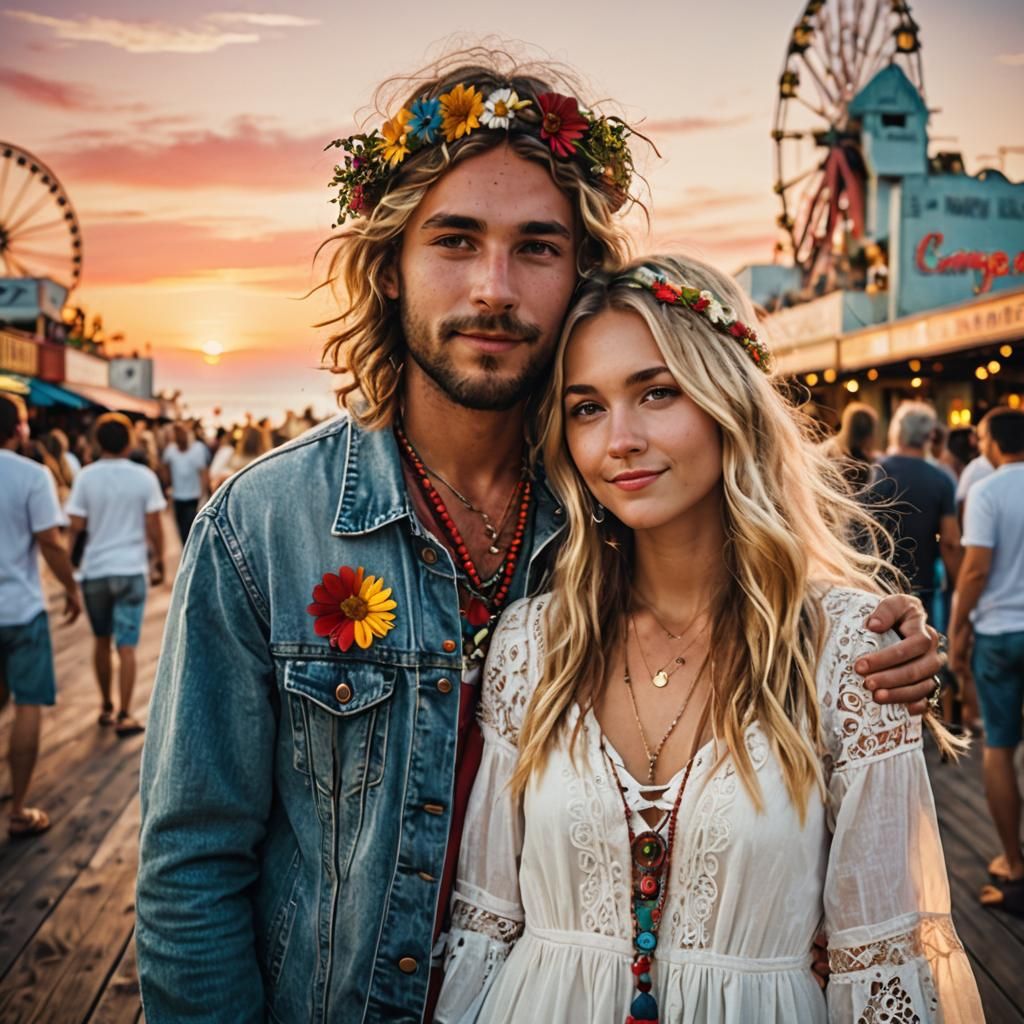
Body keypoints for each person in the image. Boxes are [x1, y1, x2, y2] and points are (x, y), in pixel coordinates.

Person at [135, 49, 944, 1023]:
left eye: (536, 246)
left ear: (579, 274)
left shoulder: (613, 503)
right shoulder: (263, 528)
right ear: (388, 267)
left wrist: (874, 642)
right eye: (454, 240)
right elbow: (190, 868)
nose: (493, 287)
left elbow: (750, 603)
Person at [436, 256, 980, 1023]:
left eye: (657, 392)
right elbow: (483, 929)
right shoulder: (534, 644)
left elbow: (881, 957)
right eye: (586, 407)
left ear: (731, 401)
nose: (619, 439)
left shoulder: (853, 650)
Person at [950, 407, 1024, 917]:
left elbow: (974, 570)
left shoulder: (988, 491)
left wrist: (956, 633)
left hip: (998, 634)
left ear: (994, 443)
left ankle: (1015, 862)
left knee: (999, 747)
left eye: (980, 438)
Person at [0, 394, 81, 838]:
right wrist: (70, 587)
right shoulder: (31, 475)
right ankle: (19, 809)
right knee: (27, 703)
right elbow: (49, 541)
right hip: (20, 608)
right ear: (19, 428)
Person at [66, 413, 167, 736]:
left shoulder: (86, 477)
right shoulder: (143, 477)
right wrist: (160, 561)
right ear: (129, 441)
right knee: (127, 644)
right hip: (130, 569)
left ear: (97, 441)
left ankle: (105, 705)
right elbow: (154, 525)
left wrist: (72, 566)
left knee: (101, 639)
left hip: (95, 569)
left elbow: (76, 528)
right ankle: (125, 712)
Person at [873, 401, 961, 619]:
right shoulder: (941, 479)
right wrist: (960, 588)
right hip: (922, 584)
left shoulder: (876, 473)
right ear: (930, 436)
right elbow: (950, 542)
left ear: (898, 432)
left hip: (879, 582)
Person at [160, 420, 210, 544]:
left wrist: (203, 496)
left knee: (190, 530)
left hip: (194, 497)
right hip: (179, 497)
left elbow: (204, 474)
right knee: (183, 531)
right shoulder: (171, 450)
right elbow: (165, 469)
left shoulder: (197, 449)